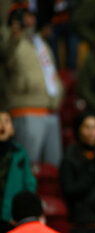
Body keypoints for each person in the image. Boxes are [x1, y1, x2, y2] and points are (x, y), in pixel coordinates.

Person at [0, 3, 64, 167]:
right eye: (24, 16)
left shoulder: (39, 42)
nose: (30, 20)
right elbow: (4, 54)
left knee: (53, 168)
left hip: (51, 110)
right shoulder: (7, 37)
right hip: (25, 110)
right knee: (25, 166)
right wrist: (15, 34)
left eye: (32, 16)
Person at [0, 109, 37, 226]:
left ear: (12, 129)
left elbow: (29, 185)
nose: (2, 125)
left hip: (12, 217)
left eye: (7, 121)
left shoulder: (20, 153)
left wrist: (23, 213)